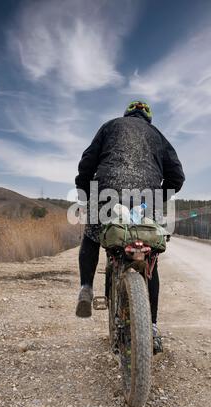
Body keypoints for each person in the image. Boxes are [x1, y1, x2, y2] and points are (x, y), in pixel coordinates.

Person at [74, 100, 185, 354]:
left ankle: (86, 289)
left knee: (92, 236)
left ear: (126, 115)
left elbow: (87, 164)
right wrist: (159, 195)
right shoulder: (158, 136)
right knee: (150, 258)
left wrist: (85, 192)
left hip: (106, 192)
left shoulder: (109, 126)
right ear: (148, 119)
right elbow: (177, 176)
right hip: (148, 198)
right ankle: (153, 327)